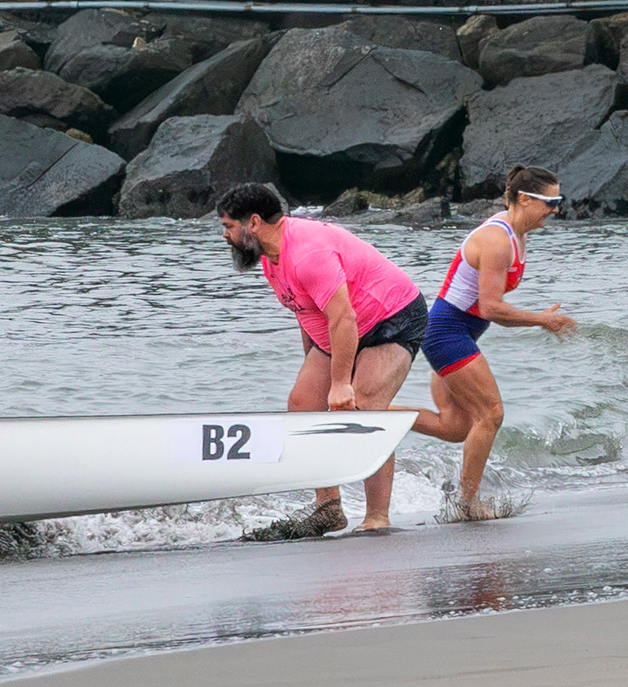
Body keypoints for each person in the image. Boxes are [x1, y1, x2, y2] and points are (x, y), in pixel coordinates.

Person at [216, 183, 427, 536]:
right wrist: (315, 369)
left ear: (253, 222)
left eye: (228, 226)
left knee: (367, 408)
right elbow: (305, 311)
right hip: (342, 327)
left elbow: (343, 317)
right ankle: (329, 509)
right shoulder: (271, 259)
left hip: (392, 317)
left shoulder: (308, 254)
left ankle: (377, 517)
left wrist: (341, 383)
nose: (225, 235)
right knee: (303, 405)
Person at [412, 165, 576, 519]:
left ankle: (374, 412)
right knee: (490, 414)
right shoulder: (497, 240)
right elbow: (490, 307)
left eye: (558, 201)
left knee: (455, 427)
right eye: (550, 202)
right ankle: (466, 504)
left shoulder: (517, 234)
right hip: (446, 333)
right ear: (524, 199)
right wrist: (542, 320)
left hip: (457, 333)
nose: (556, 209)